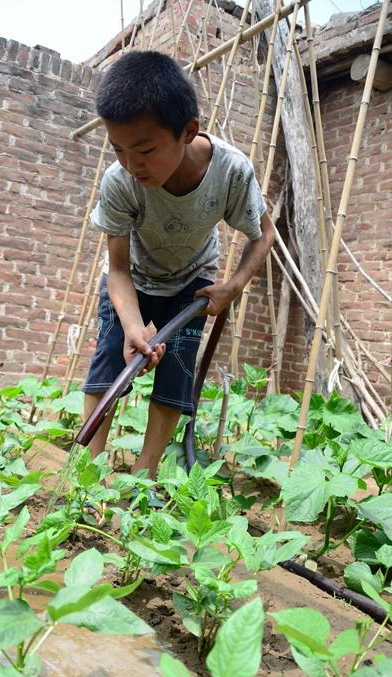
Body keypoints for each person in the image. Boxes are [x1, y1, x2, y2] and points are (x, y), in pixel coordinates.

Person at [82, 50, 275, 480]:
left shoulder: (231, 172)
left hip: (192, 283)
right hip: (133, 278)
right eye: (118, 149)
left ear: (188, 131)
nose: (133, 165)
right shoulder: (119, 182)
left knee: (176, 374)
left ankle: (145, 473)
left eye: (145, 149)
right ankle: (87, 473)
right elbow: (117, 269)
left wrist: (235, 285)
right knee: (109, 362)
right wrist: (132, 325)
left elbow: (264, 234)